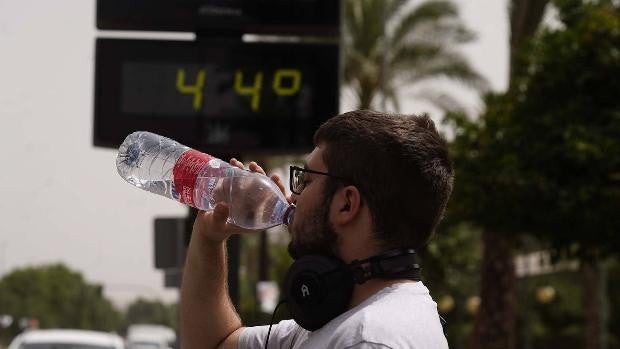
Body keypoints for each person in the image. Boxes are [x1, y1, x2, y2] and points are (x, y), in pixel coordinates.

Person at [181, 110, 453, 349]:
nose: (293, 196)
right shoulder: (351, 318)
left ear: (346, 204)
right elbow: (214, 343)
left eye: (306, 180)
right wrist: (209, 237)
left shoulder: (366, 338)